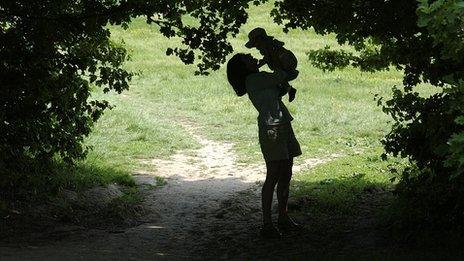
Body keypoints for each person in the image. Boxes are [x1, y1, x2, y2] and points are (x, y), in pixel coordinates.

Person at [227, 53, 302, 239]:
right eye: (248, 58)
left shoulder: (259, 78)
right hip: (272, 130)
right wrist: (273, 58)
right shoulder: (253, 79)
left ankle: (283, 217)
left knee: (286, 172)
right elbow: (283, 75)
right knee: (274, 174)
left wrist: (279, 71)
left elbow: (283, 82)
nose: (253, 57)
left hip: (282, 124)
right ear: (244, 67)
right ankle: (267, 224)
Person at [245, 27, 299, 102]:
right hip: (283, 65)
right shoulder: (269, 46)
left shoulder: (269, 47)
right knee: (277, 76)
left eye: (256, 45)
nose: (256, 47)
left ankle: (286, 89)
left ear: (260, 40)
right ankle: (288, 89)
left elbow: (268, 59)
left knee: (278, 76)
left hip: (285, 64)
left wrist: (257, 66)